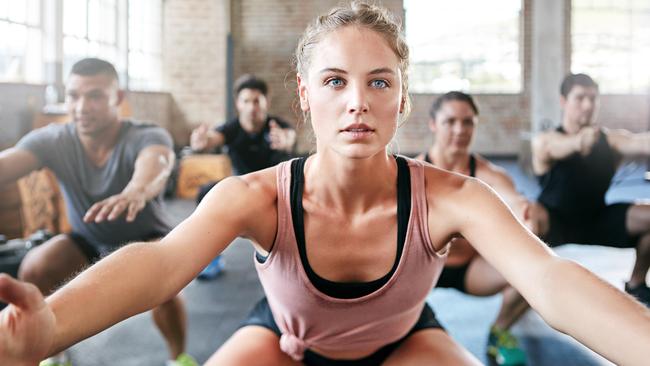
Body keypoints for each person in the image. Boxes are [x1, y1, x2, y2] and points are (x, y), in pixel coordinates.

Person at [1, 4, 649, 366]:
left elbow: (550, 281)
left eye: (379, 82)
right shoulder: (254, 197)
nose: (358, 102)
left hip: (406, 344)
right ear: (306, 97)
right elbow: (161, 265)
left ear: (401, 99)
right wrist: (51, 325)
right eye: (336, 81)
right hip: (284, 343)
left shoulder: (453, 197)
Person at [0, 58, 197, 366]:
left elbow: (157, 162)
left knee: (165, 290)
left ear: (117, 98)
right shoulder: (53, 140)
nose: (81, 106)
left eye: (94, 96)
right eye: (74, 96)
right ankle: (54, 355)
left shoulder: (143, 134)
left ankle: (179, 358)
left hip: (145, 238)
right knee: (35, 268)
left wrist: (137, 190)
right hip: (87, 238)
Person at [417, 91, 540, 364]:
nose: (460, 130)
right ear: (433, 124)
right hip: (421, 269)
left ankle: (500, 331)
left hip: (471, 270)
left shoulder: (489, 175)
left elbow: (513, 199)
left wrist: (523, 211)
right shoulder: (413, 173)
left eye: (467, 122)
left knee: (534, 265)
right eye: (450, 122)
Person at [530, 73, 650, 305]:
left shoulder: (610, 141)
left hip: (597, 219)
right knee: (529, 219)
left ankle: (636, 283)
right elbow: (553, 147)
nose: (587, 105)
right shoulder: (546, 140)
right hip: (555, 222)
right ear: (564, 101)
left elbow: (640, 142)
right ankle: (513, 305)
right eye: (580, 98)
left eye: (593, 99)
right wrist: (578, 142)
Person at [189, 74, 296, 279]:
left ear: (266, 102)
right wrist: (201, 142)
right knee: (205, 192)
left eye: (257, 100)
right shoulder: (231, 128)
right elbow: (213, 138)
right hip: (243, 189)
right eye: (246, 101)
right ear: (238, 104)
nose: (252, 106)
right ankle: (210, 259)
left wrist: (286, 141)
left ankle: (296, 260)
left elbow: (288, 137)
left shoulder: (278, 127)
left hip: (277, 190)